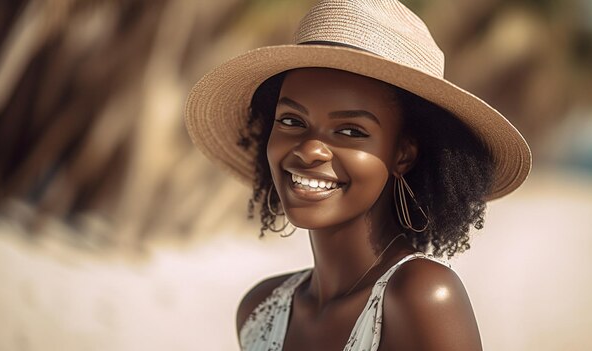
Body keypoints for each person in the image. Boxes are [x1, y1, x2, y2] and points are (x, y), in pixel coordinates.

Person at [185, 0, 531, 350]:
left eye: (350, 131)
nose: (309, 150)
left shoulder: (422, 297)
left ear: (403, 153)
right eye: (291, 121)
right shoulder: (259, 308)